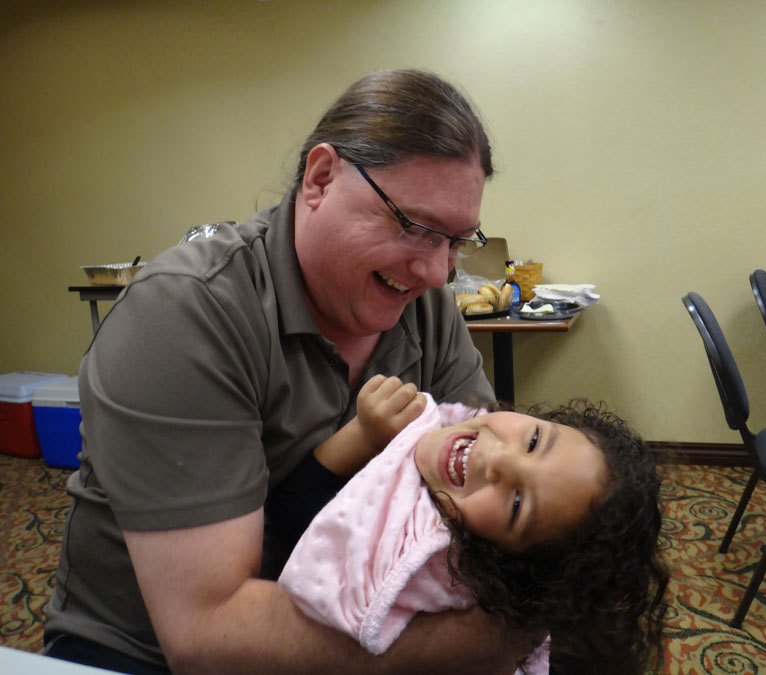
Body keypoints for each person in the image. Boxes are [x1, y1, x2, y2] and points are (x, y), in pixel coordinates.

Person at [44, 69, 528, 674]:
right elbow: (207, 634)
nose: (436, 272)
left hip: (352, 611)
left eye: (454, 241)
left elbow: (487, 500)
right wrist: (487, 640)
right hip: (137, 656)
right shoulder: (186, 311)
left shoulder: (425, 309)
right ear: (321, 178)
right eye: (416, 227)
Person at [278, 375, 669, 675]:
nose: (498, 460)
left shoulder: (430, 563)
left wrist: (362, 436)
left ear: (503, 564)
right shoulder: (463, 433)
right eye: (534, 441)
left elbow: (295, 519)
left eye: (517, 504)